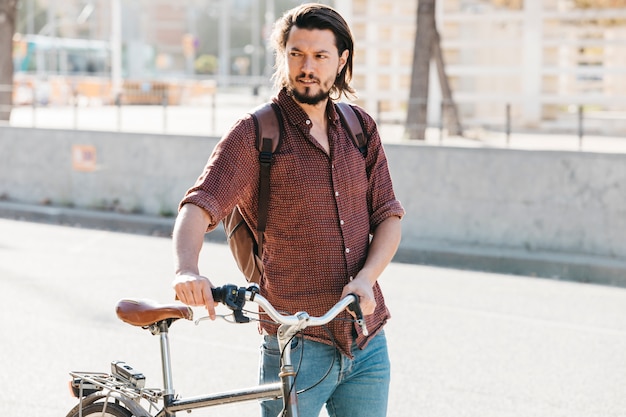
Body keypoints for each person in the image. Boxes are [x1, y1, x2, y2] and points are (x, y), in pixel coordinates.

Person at [171, 3, 405, 417]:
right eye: (296, 54)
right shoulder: (256, 133)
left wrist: (367, 278)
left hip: (366, 341)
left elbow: (387, 215)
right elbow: (200, 204)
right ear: (283, 56)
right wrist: (187, 268)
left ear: (342, 60)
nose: (306, 67)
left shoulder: (360, 128)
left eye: (319, 56)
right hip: (295, 347)